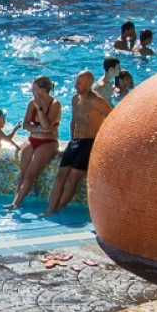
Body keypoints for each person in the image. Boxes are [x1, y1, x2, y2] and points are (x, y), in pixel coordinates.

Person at [47, 71, 112, 213]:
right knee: (60, 176)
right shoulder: (75, 99)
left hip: (89, 142)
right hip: (75, 141)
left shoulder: (96, 100)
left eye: (79, 83)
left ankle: (57, 209)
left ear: (89, 84)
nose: (76, 85)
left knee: (73, 178)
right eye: (76, 82)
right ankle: (50, 209)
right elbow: (73, 120)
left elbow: (113, 117)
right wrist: (71, 140)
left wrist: (105, 140)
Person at [9, 77, 61, 209]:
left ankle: (16, 203)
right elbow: (25, 125)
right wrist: (39, 130)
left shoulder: (55, 104)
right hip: (32, 140)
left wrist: (40, 110)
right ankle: (15, 200)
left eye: (34, 89)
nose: (32, 91)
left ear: (42, 90)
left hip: (48, 142)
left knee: (30, 174)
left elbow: (47, 126)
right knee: (22, 173)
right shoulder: (31, 103)